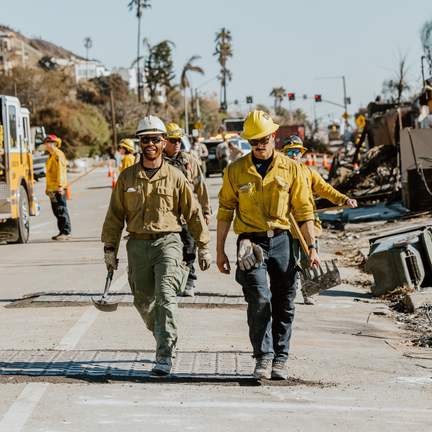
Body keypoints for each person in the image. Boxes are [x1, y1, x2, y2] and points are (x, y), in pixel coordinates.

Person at [101, 115, 212, 376]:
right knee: (143, 302)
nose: (149, 143)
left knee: (165, 296)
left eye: (154, 139)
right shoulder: (127, 178)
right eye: (145, 139)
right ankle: (164, 334)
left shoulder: (176, 177)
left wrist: (203, 245)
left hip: (168, 243)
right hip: (137, 246)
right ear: (139, 143)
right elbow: (114, 216)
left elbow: (193, 213)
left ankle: (165, 353)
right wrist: (109, 249)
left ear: (163, 142)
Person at [216, 110, 319, 381]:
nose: (259, 145)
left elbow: (304, 210)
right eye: (253, 141)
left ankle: (280, 359)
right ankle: (263, 356)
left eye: (263, 139)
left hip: (283, 240)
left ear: (273, 136)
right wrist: (219, 250)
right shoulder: (236, 170)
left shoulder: (291, 168)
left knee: (284, 301)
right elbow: (225, 210)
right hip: (250, 243)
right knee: (259, 299)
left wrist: (312, 248)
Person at [281, 136, 358, 305]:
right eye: (290, 152)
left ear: (302, 153)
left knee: (309, 259)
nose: (293, 155)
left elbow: (326, 190)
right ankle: (288, 291)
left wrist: (344, 199)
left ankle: (310, 291)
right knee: (288, 261)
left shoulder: (309, 173)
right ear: (284, 153)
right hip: (287, 226)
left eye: (297, 151)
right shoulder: (279, 175)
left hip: (308, 225)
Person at [163, 123, 212, 297]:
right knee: (167, 252)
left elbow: (200, 186)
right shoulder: (157, 161)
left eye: (179, 140)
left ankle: (189, 283)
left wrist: (206, 210)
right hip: (165, 217)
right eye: (173, 140)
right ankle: (169, 283)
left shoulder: (189, 160)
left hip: (187, 215)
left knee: (189, 249)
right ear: (164, 141)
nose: (177, 143)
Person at [44, 134, 71, 241]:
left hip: (58, 188)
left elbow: (61, 170)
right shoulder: (51, 155)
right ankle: (62, 231)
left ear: (53, 143)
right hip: (52, 188)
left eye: (47, 142)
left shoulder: (58, 155)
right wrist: (47, 188)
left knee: (61, 210)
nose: (45, 144)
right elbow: (49, 174)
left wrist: (60, 185)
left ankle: (66, 232)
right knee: (57, 211)